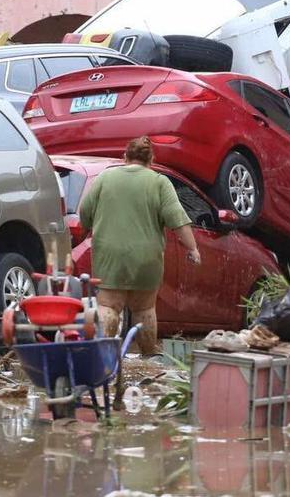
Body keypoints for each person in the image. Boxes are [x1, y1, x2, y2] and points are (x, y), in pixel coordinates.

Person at [78, 136, 200, 355]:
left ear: (125, 157)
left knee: (108, 307)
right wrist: (192, 249)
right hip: (147, 258)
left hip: (109, 256)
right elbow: (177, 219)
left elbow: (84, 213)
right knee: (144, 309)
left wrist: (88, 227)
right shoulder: (159, 182)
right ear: (151, 159)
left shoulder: (105, 178)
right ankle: (148, 356)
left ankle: (103, 357)